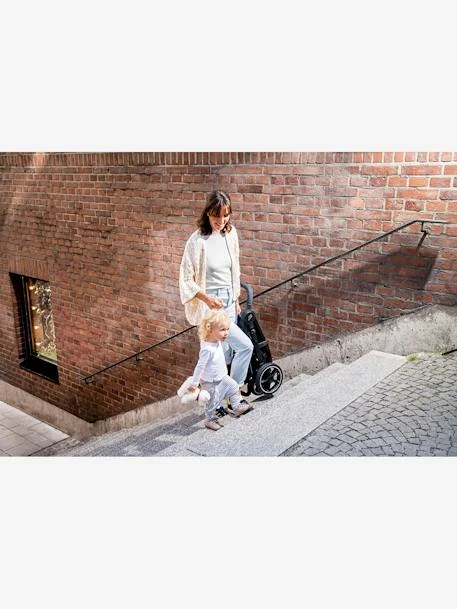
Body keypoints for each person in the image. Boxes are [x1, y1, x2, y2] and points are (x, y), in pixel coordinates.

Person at [179, 189, 254, 391]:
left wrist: (235, 299)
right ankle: (234, 393)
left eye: (225, 215)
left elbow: (234, 268)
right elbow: (185, 278)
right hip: (211, 308)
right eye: (216, 216)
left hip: (229, 300)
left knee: (227, 354)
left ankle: (223, 396)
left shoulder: (231, 234)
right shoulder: (197, 241)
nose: (221, 221)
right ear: (207, 213)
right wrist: (206, 299)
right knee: (244, 347)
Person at [183, 310, 252, 431]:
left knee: (234, 386)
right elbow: (200, 366)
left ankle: (237, 406)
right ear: (210, 331)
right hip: (210, 381)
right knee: (213, 402)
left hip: (222, 376)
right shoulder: (207, 349)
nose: (227, 333)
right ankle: (209, 420)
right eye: (222, 330)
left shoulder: (217, 341)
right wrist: (194, 383)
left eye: (227, 329)